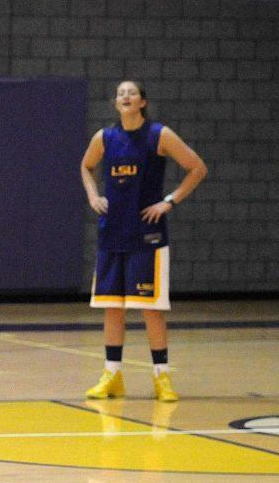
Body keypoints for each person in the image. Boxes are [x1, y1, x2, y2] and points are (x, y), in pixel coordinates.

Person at [80, 80, 207, 402]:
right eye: (120, 93)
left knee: (151, 310)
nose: (125, 96)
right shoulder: (105, 138)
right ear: (116, 103)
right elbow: (86, 166)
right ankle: (112, 375)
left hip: (147, 236)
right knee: (113, 308)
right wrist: (94, 196)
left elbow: (196, 167)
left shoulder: (158, 135)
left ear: (142, 102)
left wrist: (169, 201)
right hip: (113, 233)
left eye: (131, 92)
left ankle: (161, 377)